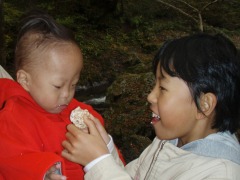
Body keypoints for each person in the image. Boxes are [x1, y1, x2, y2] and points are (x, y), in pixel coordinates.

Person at [62, 33, 240, 179]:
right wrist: (105, 148)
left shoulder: (220, 173)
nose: (150, 96)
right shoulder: (167, 142)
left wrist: (98, 162)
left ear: (204, 104)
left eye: (162, 88)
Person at [0, 11, 124, 180]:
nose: (67, 94)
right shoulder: (13, 118)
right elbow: (10, 160)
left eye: (73, 84)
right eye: (58, 86)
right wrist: (44, 172)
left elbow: (117, 166)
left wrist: (105, 142)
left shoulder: (81, 113)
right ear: (24, 80)